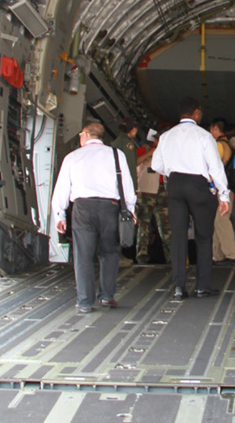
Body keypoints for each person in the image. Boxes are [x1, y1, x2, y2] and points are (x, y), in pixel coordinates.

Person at [50, 121, 136, 313]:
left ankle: (85, 301)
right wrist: (130, 209)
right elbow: (126, 184)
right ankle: (106, 296)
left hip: (83, 208)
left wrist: (60, 215)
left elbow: (62, 187)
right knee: (110, 253)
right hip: (110, 207)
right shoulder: (116, 154)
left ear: (86, 135)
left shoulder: (72, 157)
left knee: (83, 255)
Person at [150, 97, 230, 300]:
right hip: (198, 185)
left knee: (178, 236)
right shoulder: (203, 136)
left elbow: (156, 165)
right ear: (196, 113)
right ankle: (202, 286)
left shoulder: (167, 136)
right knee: (204, 236)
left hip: (175, 184)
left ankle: (179, 287)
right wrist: (223, 195)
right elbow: (215, 167)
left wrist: (171, 170)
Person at [134, 134, 171, 264]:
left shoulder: (169, 151)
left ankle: (171, 257)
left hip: (163, 191)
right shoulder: (143, 150)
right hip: (146, 191)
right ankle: (142, 256)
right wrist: (151, 153)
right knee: (143, 225)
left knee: (166, 226)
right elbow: (134, 162)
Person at [209, 118, 235, 265]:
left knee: (221, 220)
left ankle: (232, 254)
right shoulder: (229, 145)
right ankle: (217, 254)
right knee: (217, 221)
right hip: (227, 188)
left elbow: (214, 167)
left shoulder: (219, 146)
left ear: (216, 128)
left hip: (222, 189)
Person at [110, 117, 140, 184]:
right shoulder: (127, 143)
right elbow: (131, 163)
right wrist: (133, 183)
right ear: (133, 129)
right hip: (124, 180)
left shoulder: (119, 140)